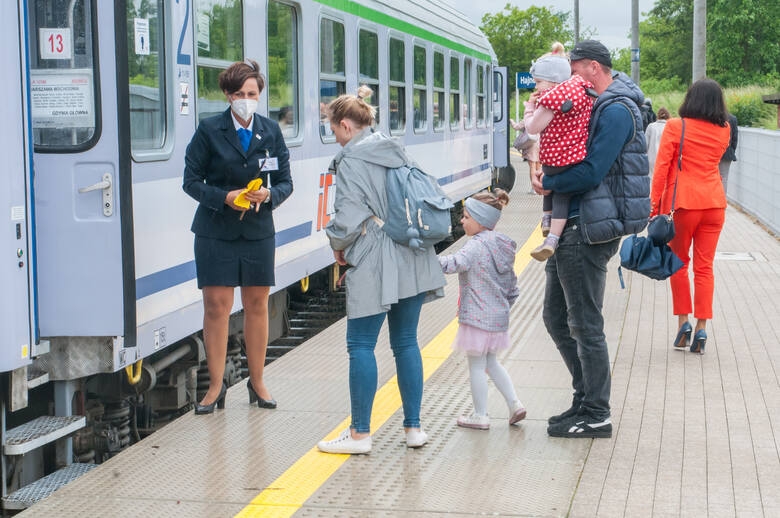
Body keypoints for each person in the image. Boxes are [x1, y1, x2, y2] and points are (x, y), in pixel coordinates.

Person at [316, 85, 446, 454]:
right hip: (413, 252)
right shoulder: (395, 148)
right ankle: (414, 429)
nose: (335, 139)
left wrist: (338, 249)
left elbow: (346, 219)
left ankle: (359, 434)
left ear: (345, 125)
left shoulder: (352, 160)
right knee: (406, 342)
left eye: (334, 130)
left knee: (360, 343)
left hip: (376, 255)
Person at [531, 40, 650, 438]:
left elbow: (591, 171)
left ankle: (597, 412)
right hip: (577, 223)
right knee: (556, 317)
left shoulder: (615, 110)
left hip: (589, 227)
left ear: (593, 68)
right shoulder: (599, 102)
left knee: (584, 323)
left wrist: (547, 181)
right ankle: (584, 400)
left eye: (575, 70)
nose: (570, 79)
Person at [182, 59, 293, 414]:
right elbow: (191, 181)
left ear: (259, 94)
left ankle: (257, 382)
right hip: (215, 231)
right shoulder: (209, 130)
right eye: (240, 93)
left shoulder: (270, 131)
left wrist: (270, 196)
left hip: (258, 231)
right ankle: (215, 386)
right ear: (228, 96)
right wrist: (224, 197)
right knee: (217, 308)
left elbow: (287, 182)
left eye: (253, 93)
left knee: (258, 305)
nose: (247, 99)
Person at [651, 79, 731, 355]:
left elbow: (661, 170)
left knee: (679, 264)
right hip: (714, 205)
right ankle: (702, 327)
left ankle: (683, 322)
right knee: (705, 267)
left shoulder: (676, 126)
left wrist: (653, 208)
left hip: (682, 206)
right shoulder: (724, 130)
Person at [438, 189, 526, 430]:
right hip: (497, 318)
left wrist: (428, 260)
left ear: (479, 221)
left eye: (465, 216)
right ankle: (515, 404)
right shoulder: (503, 246)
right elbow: (513, 288)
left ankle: (481, 415)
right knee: (491, 363)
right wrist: (501, 308)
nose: (461, 221)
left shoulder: (475, 246)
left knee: (476, 366)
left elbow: (455, 263)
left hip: (476, 317)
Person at [522, 42, 595, 261]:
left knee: (552, 184)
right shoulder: (578, 94)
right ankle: (551, 234)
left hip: (554, 158)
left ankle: (549, 230)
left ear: (553, 81)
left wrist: (529, 108)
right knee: (559, 191)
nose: (536, 88)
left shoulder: (549, 102)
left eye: (538, 82)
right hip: (574, 156)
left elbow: (532, 128)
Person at [509, 118, 541, 194]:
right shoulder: (540, 117)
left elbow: (516, 127)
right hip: (540, 143)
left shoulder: (528, 118)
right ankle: (540, 187)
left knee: (532, 167)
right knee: (539, 167)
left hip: (531, 144)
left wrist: (511, 121)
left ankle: (534, 188)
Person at [645, 106, 671, 176]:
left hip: (652, 158)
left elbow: (645, 145)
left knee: (652, 179)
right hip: (665, 159)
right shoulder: (670, 127)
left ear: (658, 115)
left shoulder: (651, 126)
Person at [719, 113, 738, 193]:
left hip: (713, 151)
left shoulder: (711, 116)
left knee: (711, 177)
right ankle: (722, 202)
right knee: (724, 177)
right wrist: (732, 150)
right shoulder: (732, 118)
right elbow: (735, 138)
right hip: (727, 153)